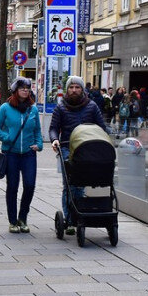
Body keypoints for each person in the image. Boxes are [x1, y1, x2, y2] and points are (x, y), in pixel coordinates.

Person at [49, 76, 107, 235]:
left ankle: (78, 216)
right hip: (67, 148)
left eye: (77, 87)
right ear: (67, 90)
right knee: (69, 185)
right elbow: (53, 128)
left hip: (87, 150)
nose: (74, 90)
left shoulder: (92, 106)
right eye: (71, 87)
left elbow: (101, 127)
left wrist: (103, 142)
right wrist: (54, 140)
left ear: (82, 89)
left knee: (80, 185)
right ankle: (68, 219)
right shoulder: (61, 108)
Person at [0, 78, 42, 233]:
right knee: (12, 187)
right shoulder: (5, 108)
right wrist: (7, 138)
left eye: (27, 88)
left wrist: (39, 145)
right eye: (22, 88)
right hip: (11, 153)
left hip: (28, 154)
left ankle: (23, 217)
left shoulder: (32, 109)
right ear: (15, 90)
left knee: (30, 185)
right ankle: (13, 221)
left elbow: (37, 130)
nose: (25, 90)